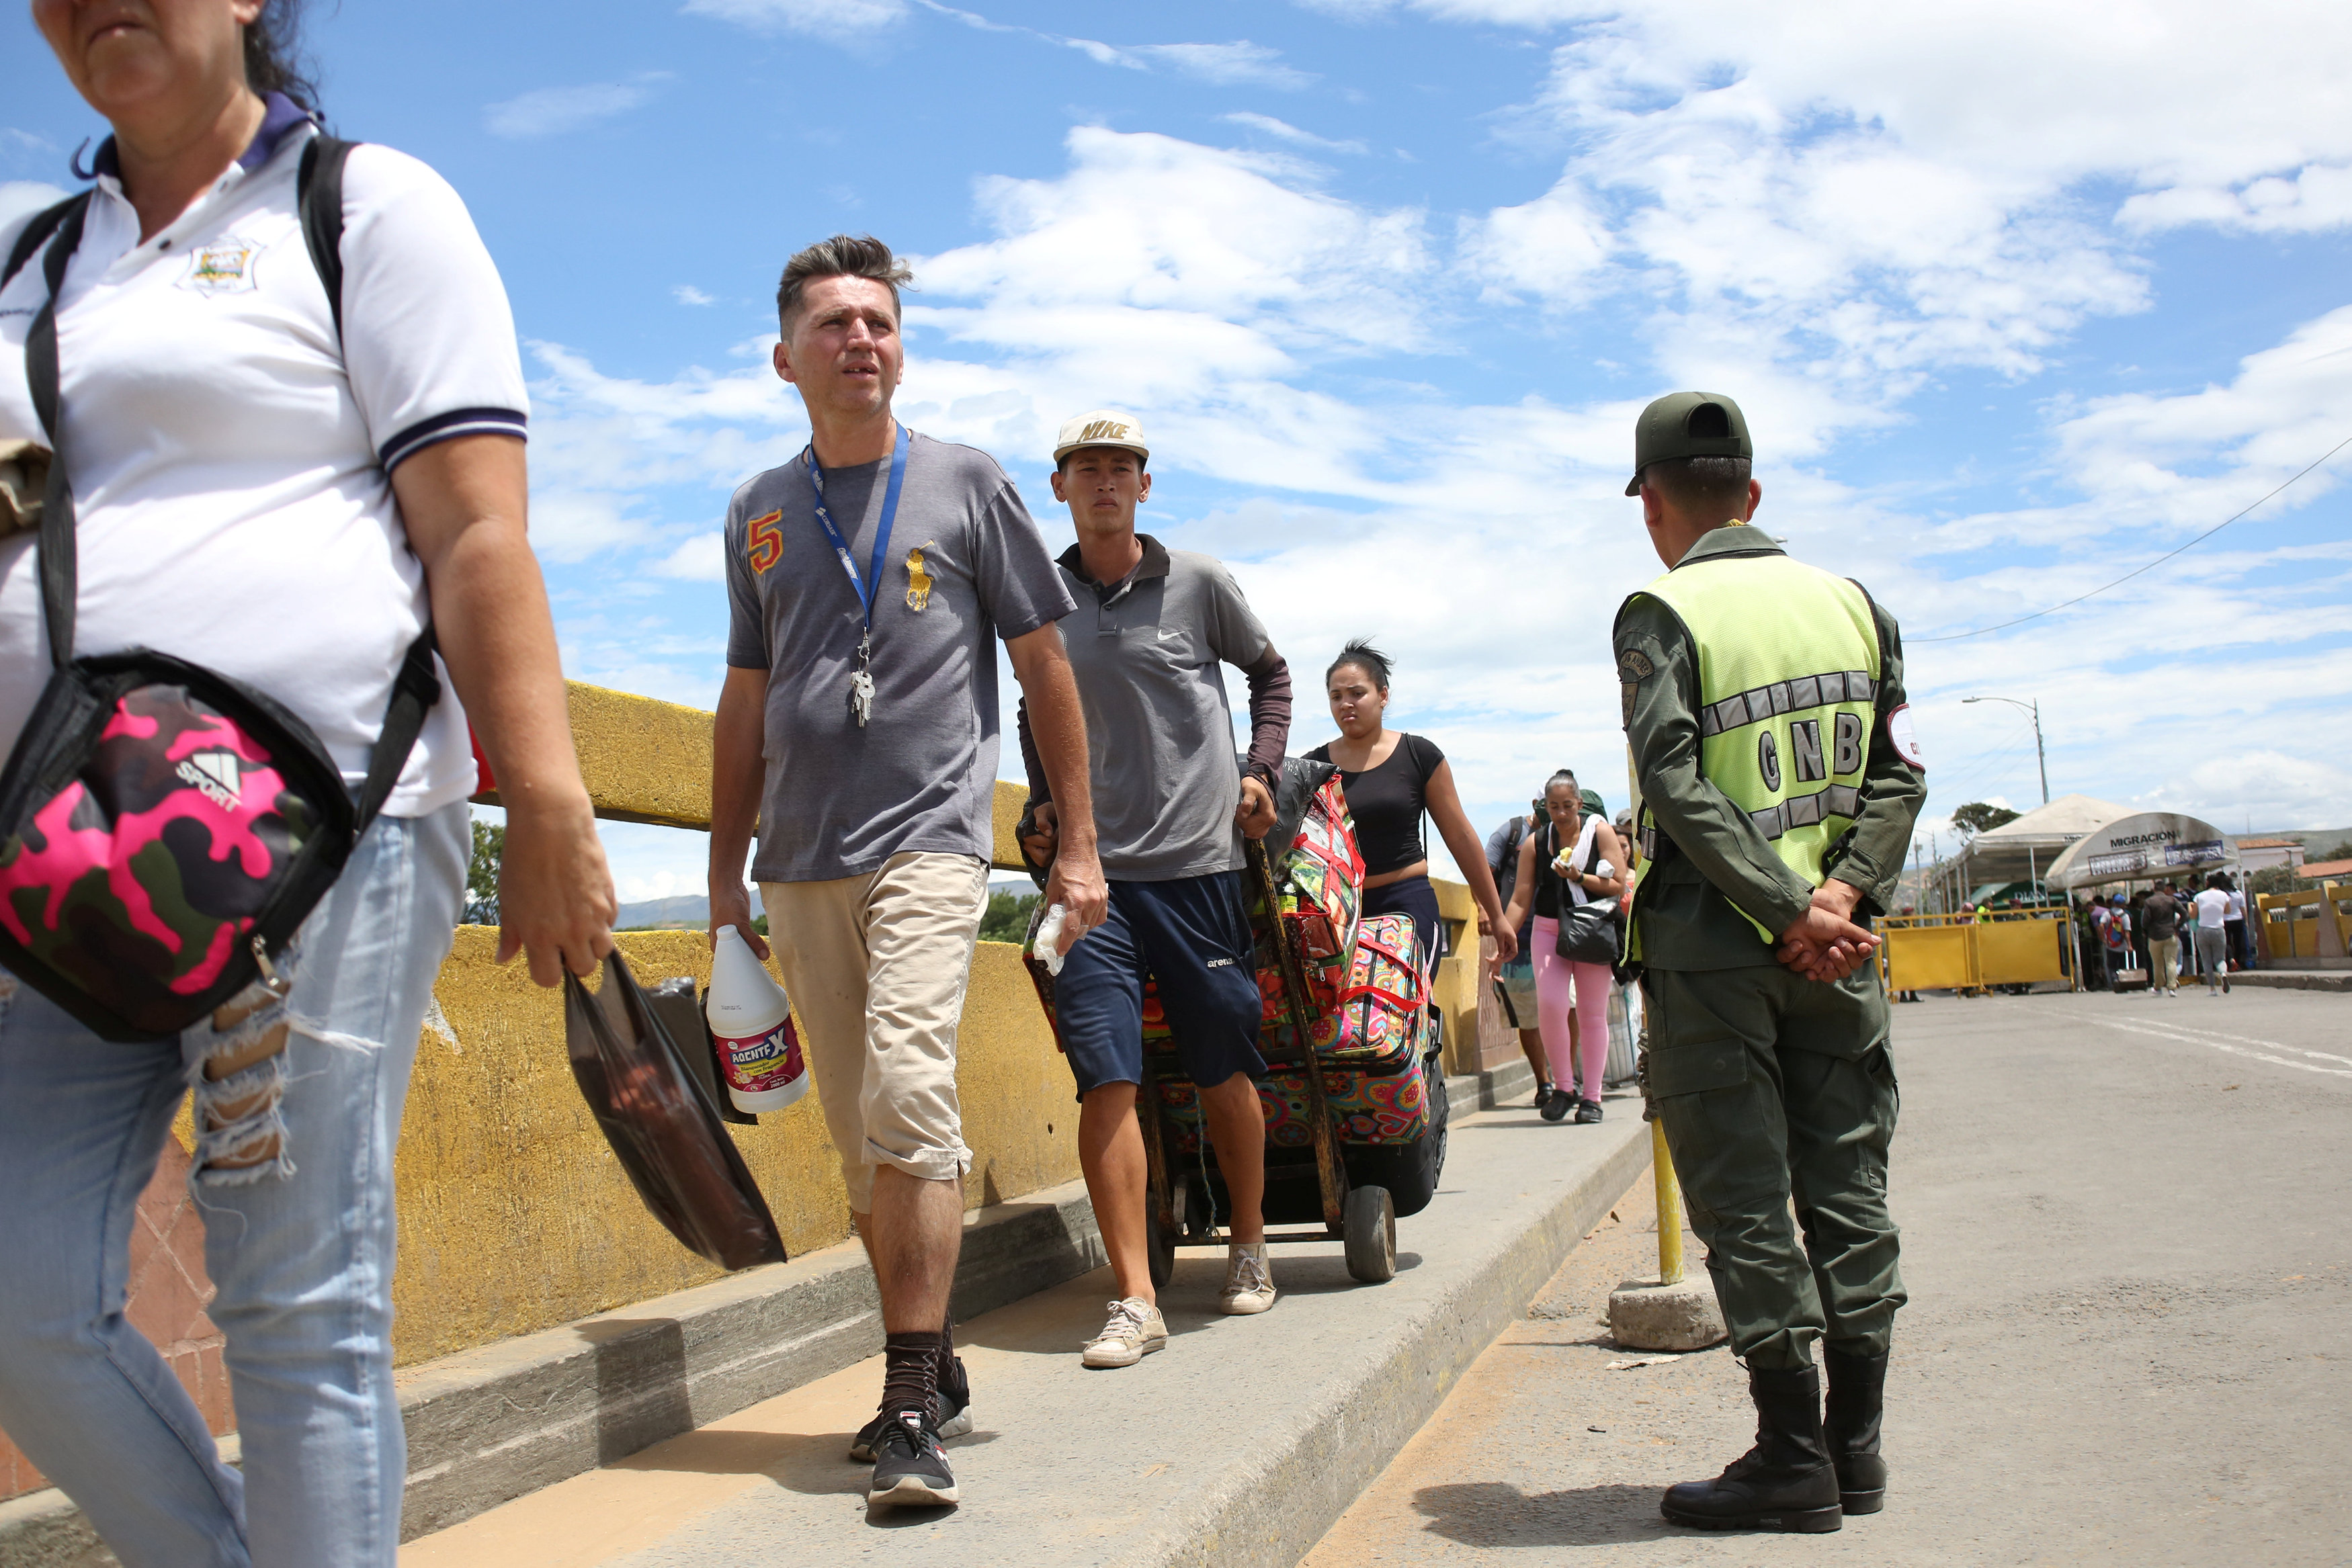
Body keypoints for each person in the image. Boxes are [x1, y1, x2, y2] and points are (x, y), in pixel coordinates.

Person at [0, 5, 617, 1561]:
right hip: (75, 846)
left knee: (294, 1299)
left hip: (315, 831)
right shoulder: (30, 265)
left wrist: (542, 801)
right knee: (21, 1291)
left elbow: (477, 531)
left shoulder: (360, 208)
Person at [707, 235, 1107, 1508]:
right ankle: (933, 1360)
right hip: (801, 862)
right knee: (856, 1147)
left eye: (877, 319)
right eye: (833, 323)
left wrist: (1078, 846)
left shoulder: (968, 482)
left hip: (932, 842)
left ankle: (906, 1399)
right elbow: (744, 697)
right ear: (787, 357)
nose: (859, 340)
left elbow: (1047, 669)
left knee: (912, 1094)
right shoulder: (759, 510)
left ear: (901, 342)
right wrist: (723, 883)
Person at [1613, 392, 1925, 1532]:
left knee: (1746, 1196)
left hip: (1714, 952)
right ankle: (1859, 1451)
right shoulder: (1855, 606)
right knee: (1848, 1186)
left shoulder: (1660, 608)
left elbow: (1675, 782)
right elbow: (1900, 775)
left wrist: (1788, 904)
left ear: (1655, 504)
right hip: (1840, 953)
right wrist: (1838, 897)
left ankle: (1793, 1452)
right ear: (1753, 494)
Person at [1013, 410, 1290, 1366]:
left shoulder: (1201, 582)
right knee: (1106, 1075)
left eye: (1120, 468)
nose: (1102, 482)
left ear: (1144, 484)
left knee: (1223, 1066)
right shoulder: (1037, 596)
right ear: (1059, 487)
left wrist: (1260, 769)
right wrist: (1044, 808)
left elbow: (1272, 673)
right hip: (1092, 883)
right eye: (1084, 469)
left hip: (1200, 867)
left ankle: (1249, 1244)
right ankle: (1135, 1296)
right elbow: (1031, 712)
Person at [1307, 642, 1515, 979]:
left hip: (1408, 907)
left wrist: (1496, 913)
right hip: (1340, 915)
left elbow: (1460, 837)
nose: (1346, 703)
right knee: (1344, 1029)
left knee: (1406, 1023)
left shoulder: (1418, 755)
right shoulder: (1313, 767)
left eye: (1357, 693)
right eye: (1336, 696)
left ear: (1383, 695)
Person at [1499, 771, 1628, 1124]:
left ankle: (1593, 1098)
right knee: (1552, 1006)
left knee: (1591, 1013)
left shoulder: (1599, 832)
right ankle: (1564, 1088)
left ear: (1579, 804)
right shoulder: (1536, 843)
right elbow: (1521, 897)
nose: (1561, 814)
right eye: (1553, 807)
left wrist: (1578, 877)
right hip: (1548, 928)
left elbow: (1617, 884)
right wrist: (1505, 936)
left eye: (1567, 806)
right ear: (1545, 807)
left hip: (1591, 927)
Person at [1486, 798, 1552, 1105]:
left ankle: (1568, 1079)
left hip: (1559, 935)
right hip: (1518, 940)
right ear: (1538, 804)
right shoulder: (1510, 832)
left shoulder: (1563, 833)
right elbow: (1484, 872)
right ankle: (1546, 1083)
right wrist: (1486, 913)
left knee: (1567, 1009)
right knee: (1528, 1017)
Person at [2193, 875, 2233, 995]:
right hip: (2219, 929)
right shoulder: (2224, 895)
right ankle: (2223, 974)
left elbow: (2194, 914)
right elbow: (2228, 911)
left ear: (2208, 883)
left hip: (2203, 930)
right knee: (2220, 958)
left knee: (2206, 960)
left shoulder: (2199, 896)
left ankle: (2212, 989)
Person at [2143, 881, 2181, 997]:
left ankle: (2158, 987)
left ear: (2154, 890)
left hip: (2155, 936)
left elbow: (2146, 920)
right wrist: (2177, 928)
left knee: (2157, 963)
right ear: (2165, 890)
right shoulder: (2172, 900)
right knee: (2171, 961)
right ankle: (2172, 988)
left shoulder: (2149, 902)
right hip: (2170, 934)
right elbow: (2184, 914)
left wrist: (2147, 931)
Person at [2223, 874, 2253, 971]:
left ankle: (2231, 961)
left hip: (2226, 920)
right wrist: (2246, 921)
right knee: (2238, 942)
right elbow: (2243, 909)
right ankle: (2239, 962)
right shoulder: (2238, 893)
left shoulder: (2223, 894)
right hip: (2238, 919)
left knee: (2227, 943)